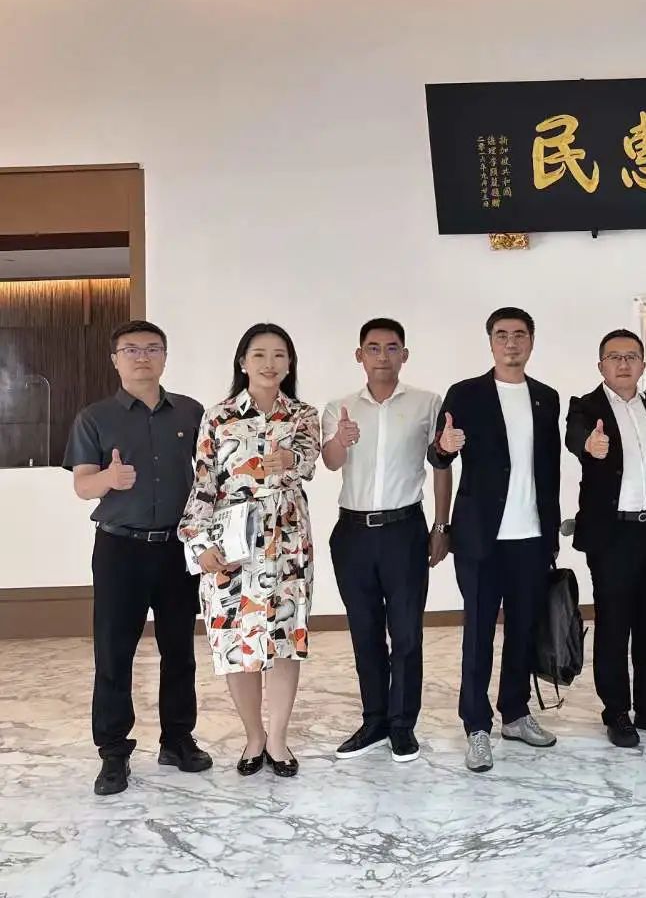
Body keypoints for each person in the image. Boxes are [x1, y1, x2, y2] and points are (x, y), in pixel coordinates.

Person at [64, 320, 212, 796]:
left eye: (152, 349)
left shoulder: (191, 412)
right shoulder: (94, 417)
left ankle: (178, 739)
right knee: (114, 651)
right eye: (131, 349)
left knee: (179, 649)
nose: (142, 357)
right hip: (119, 548)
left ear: (165, 357)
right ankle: (112, 751)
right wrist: (108, 480)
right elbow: (82, 485)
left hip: (176, 548)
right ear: (115, 359)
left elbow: (211, 476)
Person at [179, 323, 320, 778]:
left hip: (287, 541)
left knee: (284, 640)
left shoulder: (302, 415)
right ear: (242, 362)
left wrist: (291, 461)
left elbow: (310, 462)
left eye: (279, 355)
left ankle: (278, 739)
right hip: (233, 544)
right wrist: (199, 543)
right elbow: (203, 484)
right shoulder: (218, 417)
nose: (269, 363)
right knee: (236, 642)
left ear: (290, 364)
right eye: (259, 354)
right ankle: (254, 736)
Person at [430, 307, 562, 773]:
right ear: (490, 342)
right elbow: (438, 456)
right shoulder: (466, 394)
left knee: (523, 630)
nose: (511, 343)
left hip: (531, 536)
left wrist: (552, 533)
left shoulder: (546, 398)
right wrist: (444, 447)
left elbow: (550, 470)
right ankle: (476, 726)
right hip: (481, 538)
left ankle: (516, 713)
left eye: (519, 334)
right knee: (479, 633)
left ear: (531, 341)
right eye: (502, 335)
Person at [321, 318, 447, 764]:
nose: (382, 356)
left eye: (392, 348)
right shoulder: (338, 407)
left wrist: (441, 525)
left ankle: (402, 725)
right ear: (360, 355)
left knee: (407, 633)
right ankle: (374, 720)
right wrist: (341, 440)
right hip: (352, 533)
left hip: (404, 530)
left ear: (404, 355)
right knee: (365, 631)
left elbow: (441, 463)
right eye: (372, 348)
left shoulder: (427, 403)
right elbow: (330, 462)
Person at [566, 329, 646, 748]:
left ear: (643, 364)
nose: (623, 364)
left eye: (631, 356)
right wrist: (589, 444)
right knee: (614, 625)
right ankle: (616, 710)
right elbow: (575, 436)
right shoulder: (586, 406)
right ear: (601, 365)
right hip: (612, 536)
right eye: (614, 357)